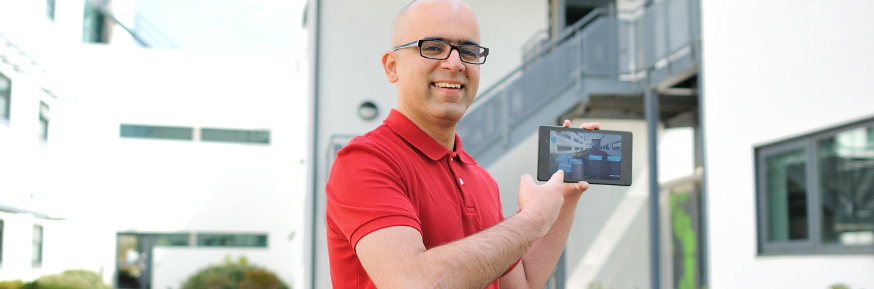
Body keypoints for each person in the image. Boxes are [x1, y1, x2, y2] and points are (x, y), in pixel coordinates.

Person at [325, 0, 600, 288]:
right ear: (392, 66)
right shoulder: (364, 161)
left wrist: (565, 198)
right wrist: (533, 220)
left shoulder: (481, 179)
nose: (455, 63)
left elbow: (524, 284)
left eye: (468, 51)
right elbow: (411, 282)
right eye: (432, 47)